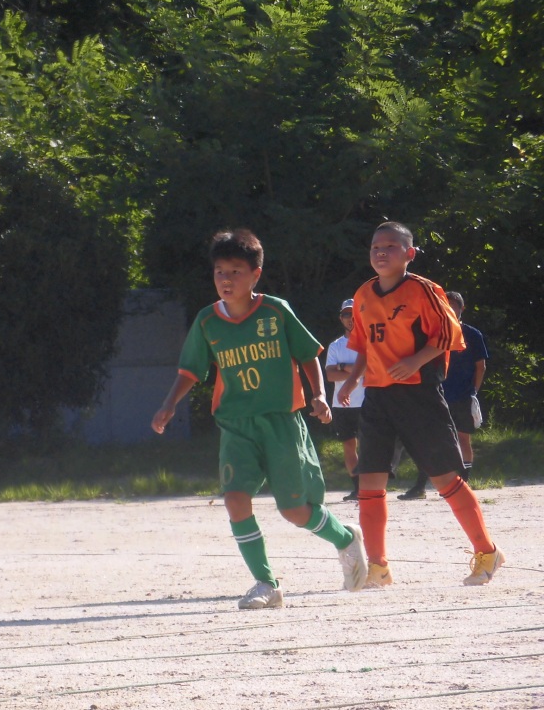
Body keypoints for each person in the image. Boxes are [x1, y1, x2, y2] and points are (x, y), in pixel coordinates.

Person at [151, 228, 366, 609]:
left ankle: (345, 538)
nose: (226, 279)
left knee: (295, 511)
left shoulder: (275, 310)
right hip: (236, 424)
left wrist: (318, 395)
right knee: (235, 499)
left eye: (235, 271)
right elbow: (191, 370)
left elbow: (307, 355)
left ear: (255, 275)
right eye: (220, 272)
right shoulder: (207, 321)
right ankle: (266, 583)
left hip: (281, 422)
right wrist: (169, 404)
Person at [338, 222, 505, 587]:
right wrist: (352, 380)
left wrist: (415, 360)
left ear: (409, 254)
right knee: (369, 484)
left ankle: (488, 552)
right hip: (377, 397)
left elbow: (450, 334)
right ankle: (378, 566)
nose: (381, 252)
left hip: (419, 395)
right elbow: (364, 344)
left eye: (391, 246)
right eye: (375, 246)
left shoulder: (423, 290)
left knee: (446, 479)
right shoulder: (363, 294)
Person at [398, 290, 489, 500]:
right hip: (435, 393)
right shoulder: (430, 332)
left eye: (454, 305)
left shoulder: (472, 334)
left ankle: (463, 482)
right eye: (445, 305)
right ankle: (420, 486)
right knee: (429, 439)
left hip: (462, 395)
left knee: (463, 438)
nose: (449, 309)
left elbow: (481, 366)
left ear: (462, 308)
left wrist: (473, 392)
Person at [324, 298, 364, 500]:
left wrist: (343, 368)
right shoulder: (336, 346)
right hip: (342, 405)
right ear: (341, 318)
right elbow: (330, 375)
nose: (350, 318)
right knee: (349, 446)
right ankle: (357, 487)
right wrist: (352, 369)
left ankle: (371, 486)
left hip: (367, 401)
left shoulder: (368, 342)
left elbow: (371, 370)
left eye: (354, 314)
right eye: (346, 314)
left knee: (369, 445)